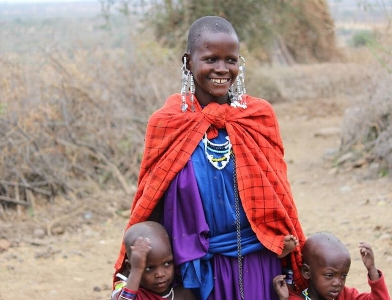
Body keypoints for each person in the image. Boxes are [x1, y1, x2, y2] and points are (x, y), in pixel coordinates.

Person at [113, 16, 306, 299]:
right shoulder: (166, 123)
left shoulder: (258, 117)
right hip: (195, 270)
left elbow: (279, 195)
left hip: (259, 263)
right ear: (188, 61)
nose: (222, 69)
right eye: (211, 59)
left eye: (231, 60)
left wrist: (287, 247)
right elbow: (152, 200)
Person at [273, 232, 391, 300]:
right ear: (306, 272)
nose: (337, 283)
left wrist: (372, 270)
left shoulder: (345, 295)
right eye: (330, 275)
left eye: (343, 275)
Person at [110, 221, 196, 300]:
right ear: (130, 267)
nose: (160, 274)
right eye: (149, 268)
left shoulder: (184, 294)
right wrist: (136, 270)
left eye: (167, 263)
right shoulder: (126, 294)